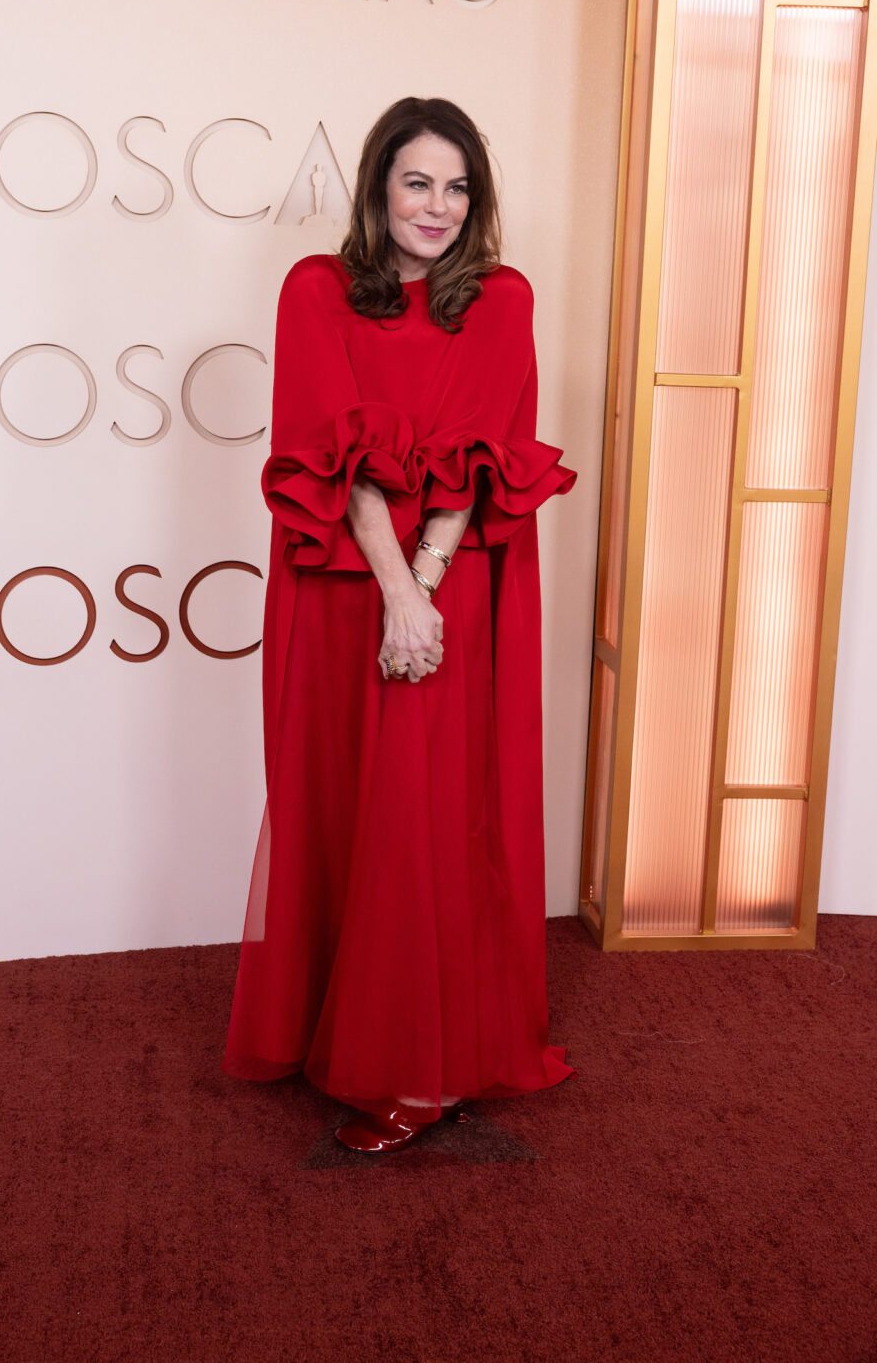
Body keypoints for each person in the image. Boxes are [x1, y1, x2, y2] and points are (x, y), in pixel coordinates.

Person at [223, 97, 576, 1153]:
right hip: (344, 583)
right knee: (345, 799)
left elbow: (479, 455)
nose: (438, 206)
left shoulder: (500, 299)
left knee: (435, 811)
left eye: (458, 186)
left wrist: (427, 587)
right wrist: (397, 592)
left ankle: (419, 1072)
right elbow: (334, 455)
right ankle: (347, 1025)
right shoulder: (316, 289)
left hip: (455, 582)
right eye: (418, 181)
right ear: (378, 185)